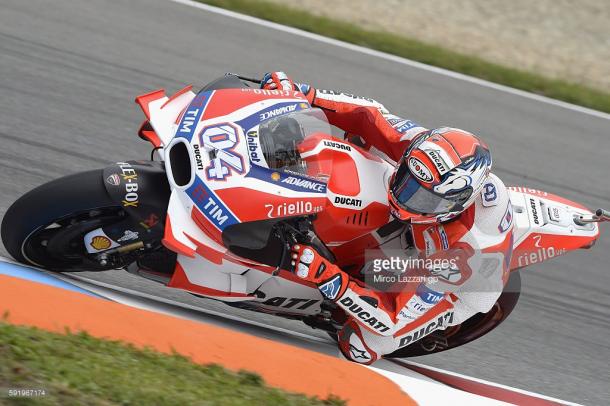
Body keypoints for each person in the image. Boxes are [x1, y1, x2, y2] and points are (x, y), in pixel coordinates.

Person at [261, 72, 515, 364]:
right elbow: (369, 115)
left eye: (423, 198)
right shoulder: (421, 149)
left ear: (455, 204)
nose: (404, 198)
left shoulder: (458, 255)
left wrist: (328, 277)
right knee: (361, 147)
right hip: (435, 228)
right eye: (407, 180)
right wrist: (302, 93)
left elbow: (392, 317)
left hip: (466, 285)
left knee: (360, 345)